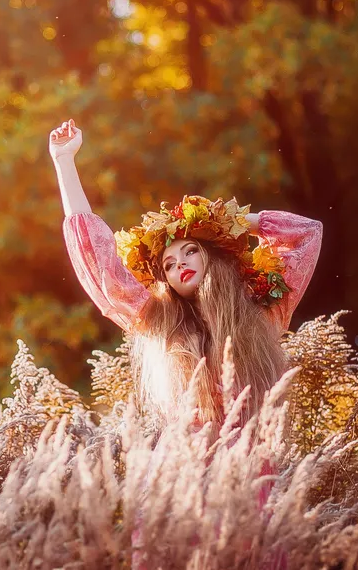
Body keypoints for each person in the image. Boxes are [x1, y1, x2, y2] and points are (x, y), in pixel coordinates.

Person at [49, 118, 323, 429]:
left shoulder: (261, 311)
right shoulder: (159, 321)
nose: (179, 263)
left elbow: (306, 234)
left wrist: (227, 220)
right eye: (168, 265)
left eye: (190, 251)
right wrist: (64, 161)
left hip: (254, 471)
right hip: (187, 470)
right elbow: (96, 259)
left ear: (211, 258)